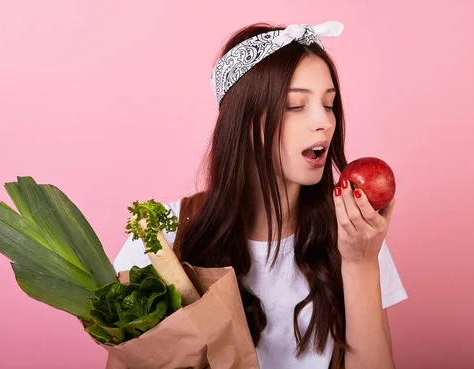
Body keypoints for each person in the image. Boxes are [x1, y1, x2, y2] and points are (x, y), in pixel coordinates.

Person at [113, 20, 408, 369]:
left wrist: (360, 262)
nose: (325, 122)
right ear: (243, 122)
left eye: (329, 105)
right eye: (295, 106)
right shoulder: (160, 236)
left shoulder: (356, 231)